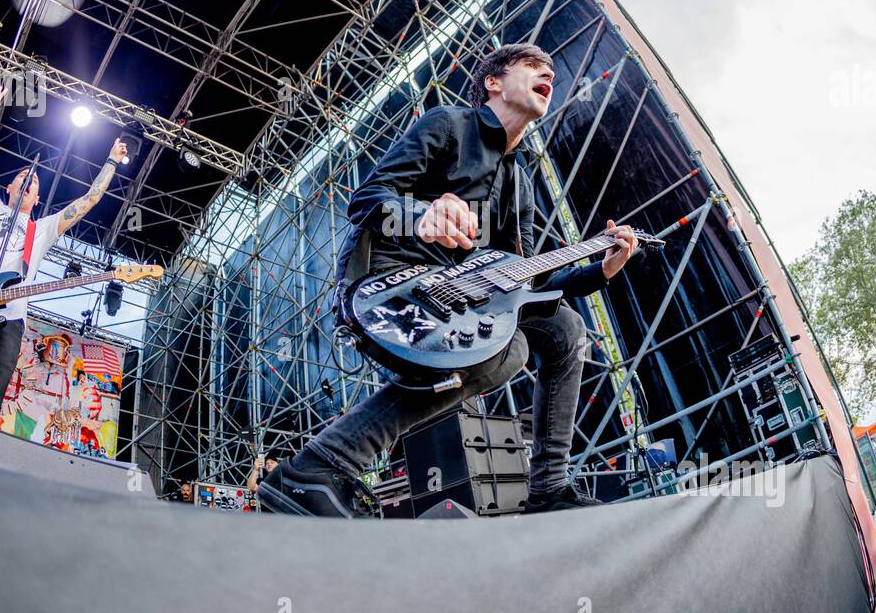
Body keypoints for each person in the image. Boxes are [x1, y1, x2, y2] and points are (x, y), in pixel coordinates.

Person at [258, 43, 641, 516]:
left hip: (462, 292)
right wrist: (421, 214)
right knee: (512, 350)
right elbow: (367, 200)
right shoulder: (449, 125)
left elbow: (523, 280)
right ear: (493, 83)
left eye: (549, 69)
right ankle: (314, 467)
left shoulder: (519, 183)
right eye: (531, 66)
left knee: (565, 329)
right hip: (392, 279)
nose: (547, 71)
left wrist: (600, 270)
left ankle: (548, 488)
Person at [0, 83, 127, 456]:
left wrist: (108, 161)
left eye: (35, 182)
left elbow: (88, 201)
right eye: (24, 176)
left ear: (37, 199)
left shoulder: (41, 230)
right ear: (10, 186)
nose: (30, 179)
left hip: (8, 323)